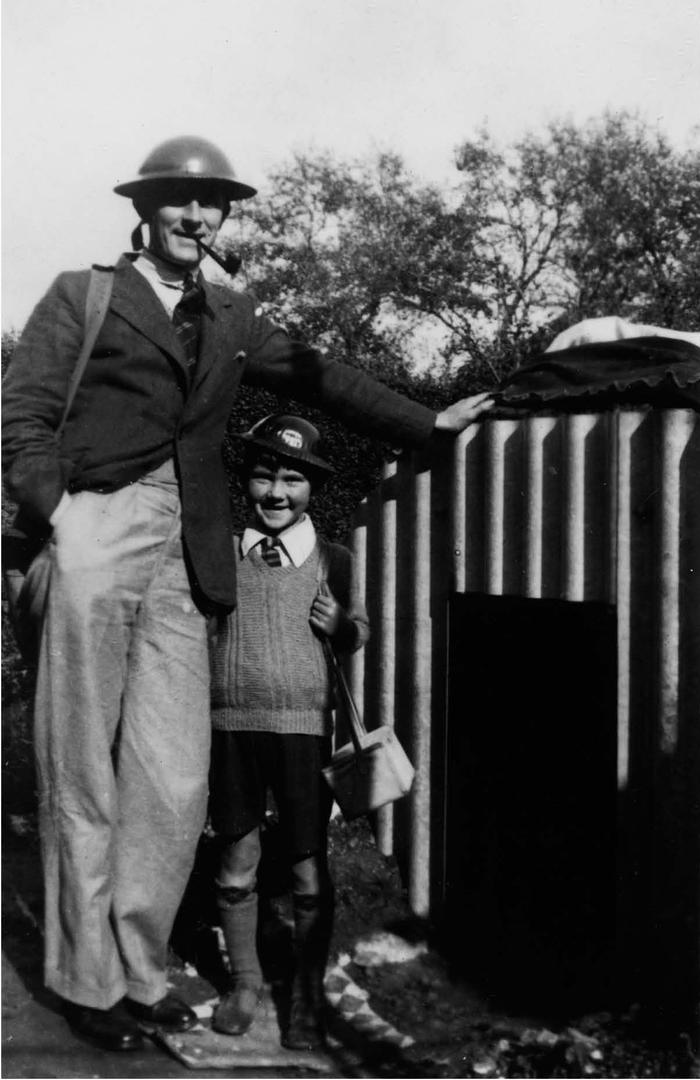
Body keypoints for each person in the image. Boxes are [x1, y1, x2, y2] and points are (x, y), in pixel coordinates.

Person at [1, 135, 493, 1052]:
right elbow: (21, 413)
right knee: (81, 766)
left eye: (213, 205)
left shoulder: (232, 314)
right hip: (96, 522)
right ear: (145, 209)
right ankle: (86, 977)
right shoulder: (85, 293)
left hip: (192, 545)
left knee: (173, 776)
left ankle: (140, 967)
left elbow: (320, 373)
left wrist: (427, 421)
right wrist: (59, 514)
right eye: (179, 202)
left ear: (225, 218)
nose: (197, 217)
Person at [208, 412, 366, 1050]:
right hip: (229, 727)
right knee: (236, 859)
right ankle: (244, 982)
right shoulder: (220, 550)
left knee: (305, 865)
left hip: (303, 729)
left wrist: (342, 628)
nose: (276, 493)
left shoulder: (334, 558)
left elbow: (360, 631)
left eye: (292, 480)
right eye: (264, 476)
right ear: (246, 481)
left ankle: (305, 995)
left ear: (312, 490)